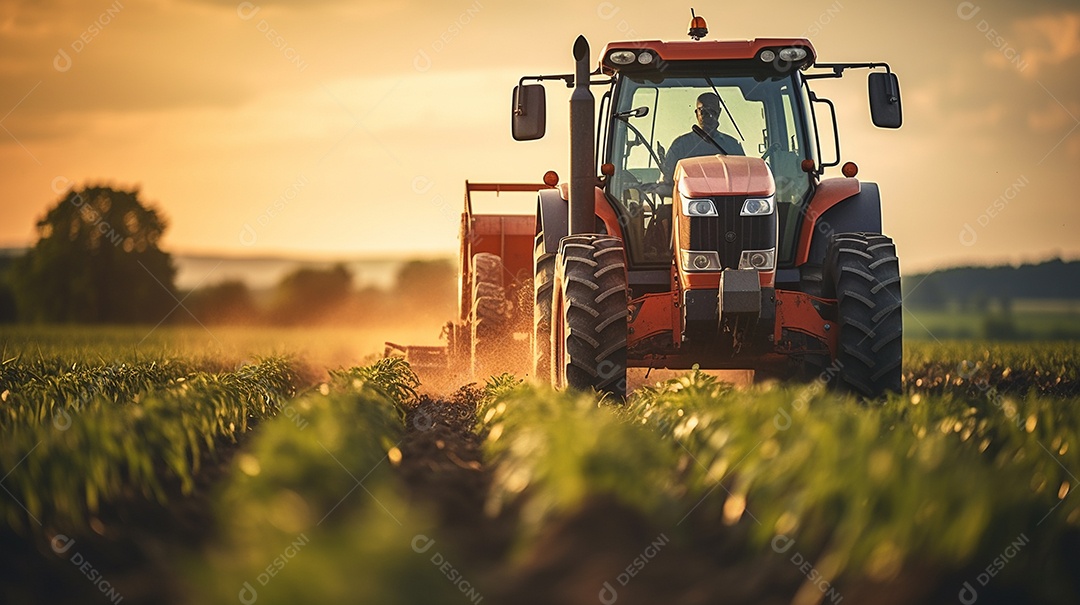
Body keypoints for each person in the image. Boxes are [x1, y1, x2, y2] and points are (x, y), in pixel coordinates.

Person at [652, 92, 745, 196]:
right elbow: (666, 184)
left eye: (712, 111)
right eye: (703, 111)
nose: (708, 115)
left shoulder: (733, 146)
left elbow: (745, 183)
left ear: (719, 112)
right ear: (696, 113)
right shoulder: (680, 145)